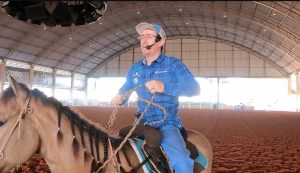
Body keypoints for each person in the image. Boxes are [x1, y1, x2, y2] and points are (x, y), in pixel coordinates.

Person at [112, 22, 200, 173]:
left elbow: (194, 89)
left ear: (160, 42)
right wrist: (120, 97)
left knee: (181, 161)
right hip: (140, 124)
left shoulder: (173, 64)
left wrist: (164, 87)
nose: (143, 39)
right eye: (141, 36)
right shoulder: (136, 67)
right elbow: (127, 87)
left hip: (166, 124)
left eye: (149, 36)